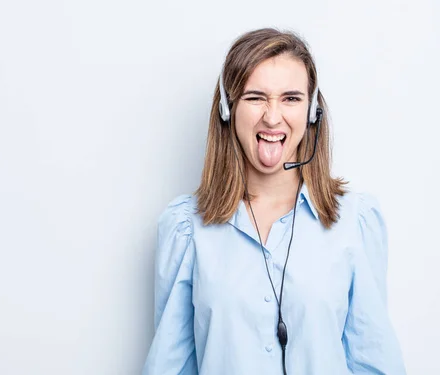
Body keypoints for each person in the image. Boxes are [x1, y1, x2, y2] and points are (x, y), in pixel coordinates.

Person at [142, 28, 406, 375]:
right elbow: (170, 367)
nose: (272, 116)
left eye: (291, 98)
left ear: (312, 111)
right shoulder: (186, 227)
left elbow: (373, 362)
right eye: (255, 97)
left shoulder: (354, 221)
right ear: (227, 109)